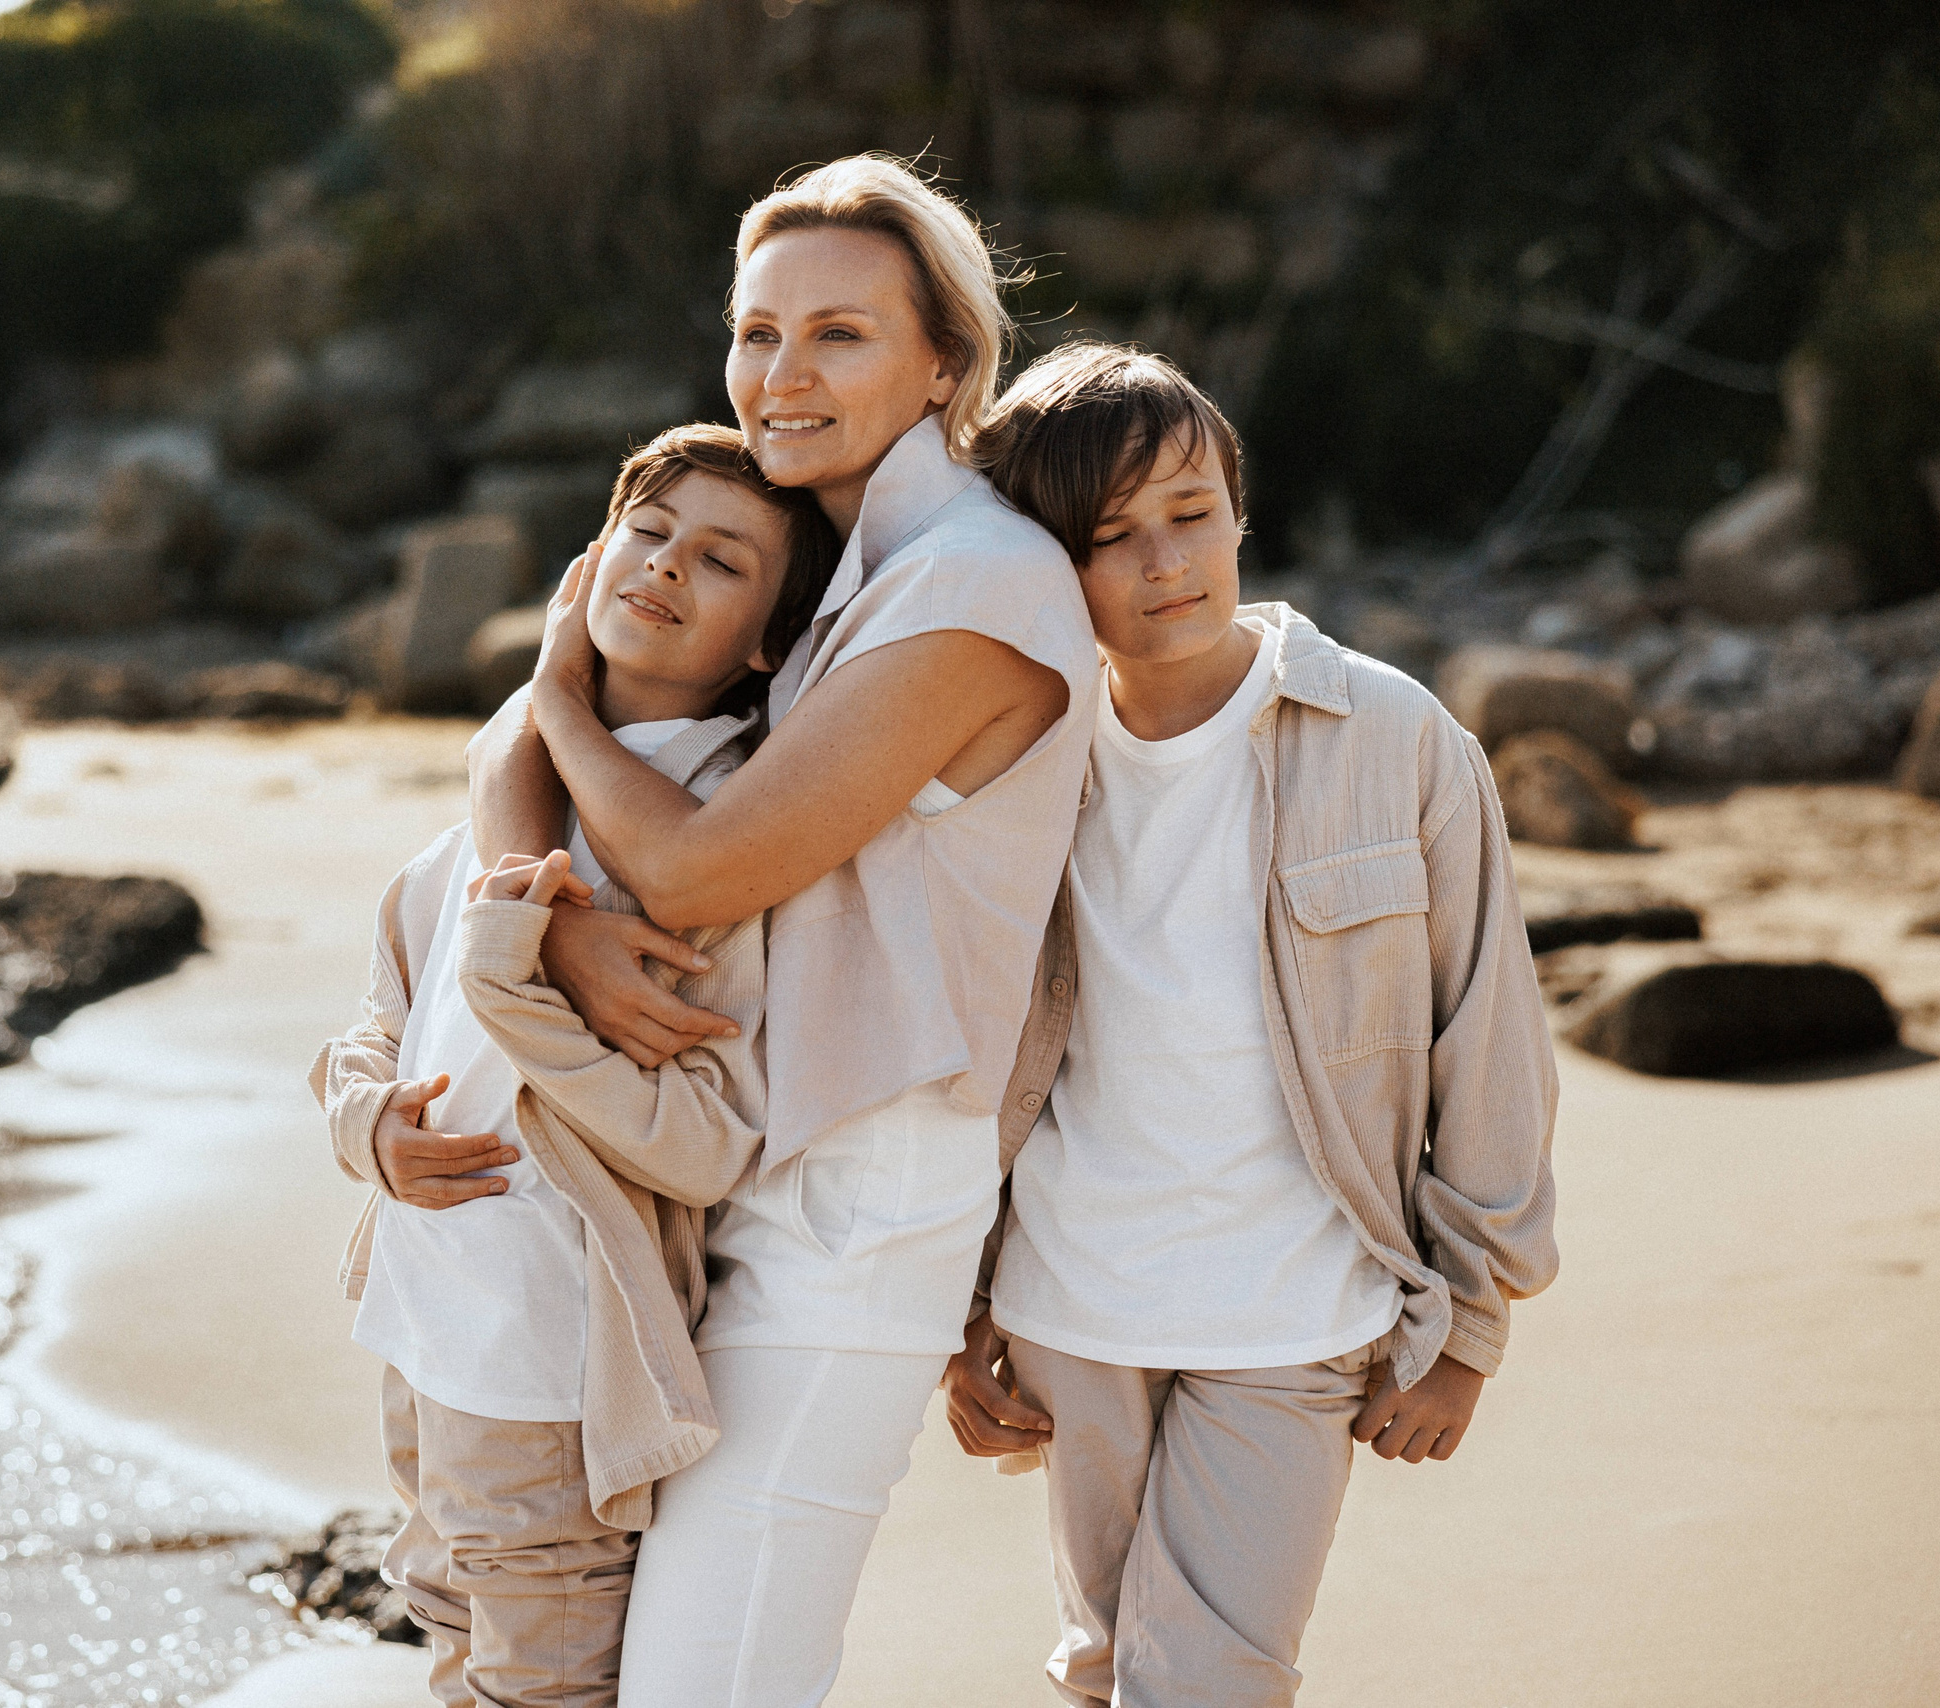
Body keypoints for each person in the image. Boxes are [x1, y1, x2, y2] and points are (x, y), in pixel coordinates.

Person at [407, 155, 1097, 1708]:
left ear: (946, 363)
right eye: (756, 331)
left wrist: (557, 690)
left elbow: (700, 868)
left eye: (840, 335)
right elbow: (515, 754)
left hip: (855, 1212)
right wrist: (549, 922)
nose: (782, 373)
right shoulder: (831, 574)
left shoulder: (978, 583)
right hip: (715, 1197)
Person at [941, 341, 1561, 1708]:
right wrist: (955, 1306)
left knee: (1207, 1683)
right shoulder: (1014, 757)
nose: (1165, 562)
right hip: (1068, 1308)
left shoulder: (1393, 737)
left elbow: (1488, 1036)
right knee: (1104, 1667)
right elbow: (958, 1043)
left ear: (1238, 512)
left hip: (1299, 1309)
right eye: (1110, 536)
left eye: (1191, 513)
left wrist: (1470, 1324)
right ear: (1045, 563)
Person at [308, 424, 838, 1708]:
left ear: (769, 642)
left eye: (720, 561)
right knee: (447, 1638)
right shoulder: (508, 793)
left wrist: (520, 977)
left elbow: (706, 1143)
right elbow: (388, 1012)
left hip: (547, 1367)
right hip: (422, 1331)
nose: (665, 565)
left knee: (537, 1684)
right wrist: (368, 1125)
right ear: (587, 564)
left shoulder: (714, 847)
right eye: (647, 532)